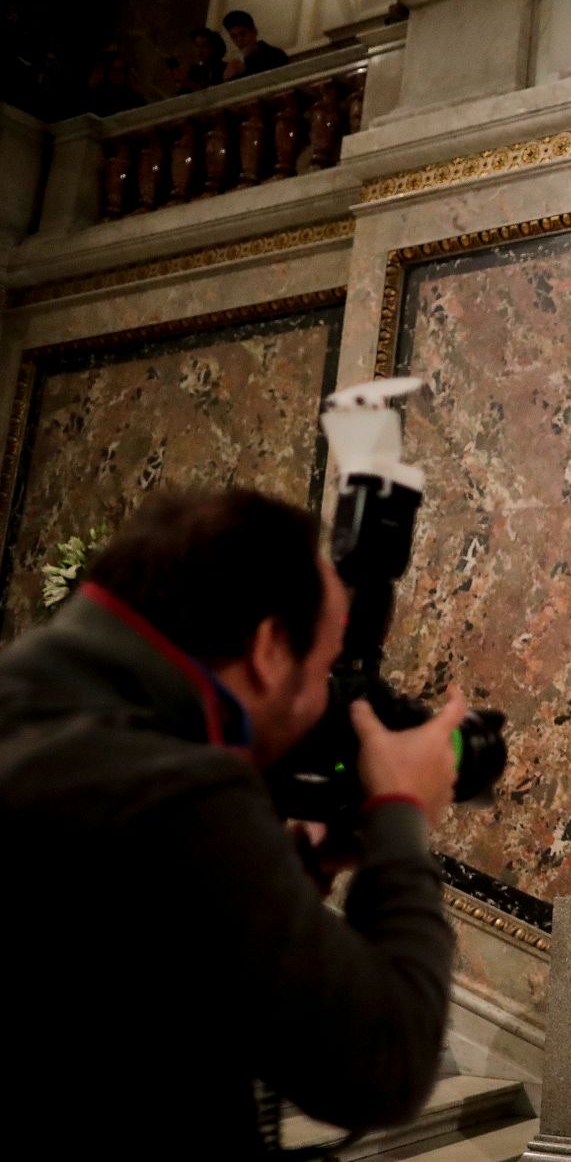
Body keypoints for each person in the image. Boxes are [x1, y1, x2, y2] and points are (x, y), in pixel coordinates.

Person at [0, 489, 466, 1156]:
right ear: (270, 647)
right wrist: (402, 815)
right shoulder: (176, 794)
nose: (325, 703)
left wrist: (284, 877)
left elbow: (146, 982)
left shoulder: (43, 715)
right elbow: (383, 1063)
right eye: (325, 672)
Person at [223, 9, 289, 80]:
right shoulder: (236, 64)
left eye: (243, 34)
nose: (239, 40)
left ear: (254, 32)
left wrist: (246, 67)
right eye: (234, 36)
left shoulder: (276, 55)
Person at [172, 26, 229, 93]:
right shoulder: (195, 71)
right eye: (197, 46)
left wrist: (188, 83)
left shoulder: (225, 68)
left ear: (214, 47)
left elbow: (217, 94)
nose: (199, 51)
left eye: (204, 46)